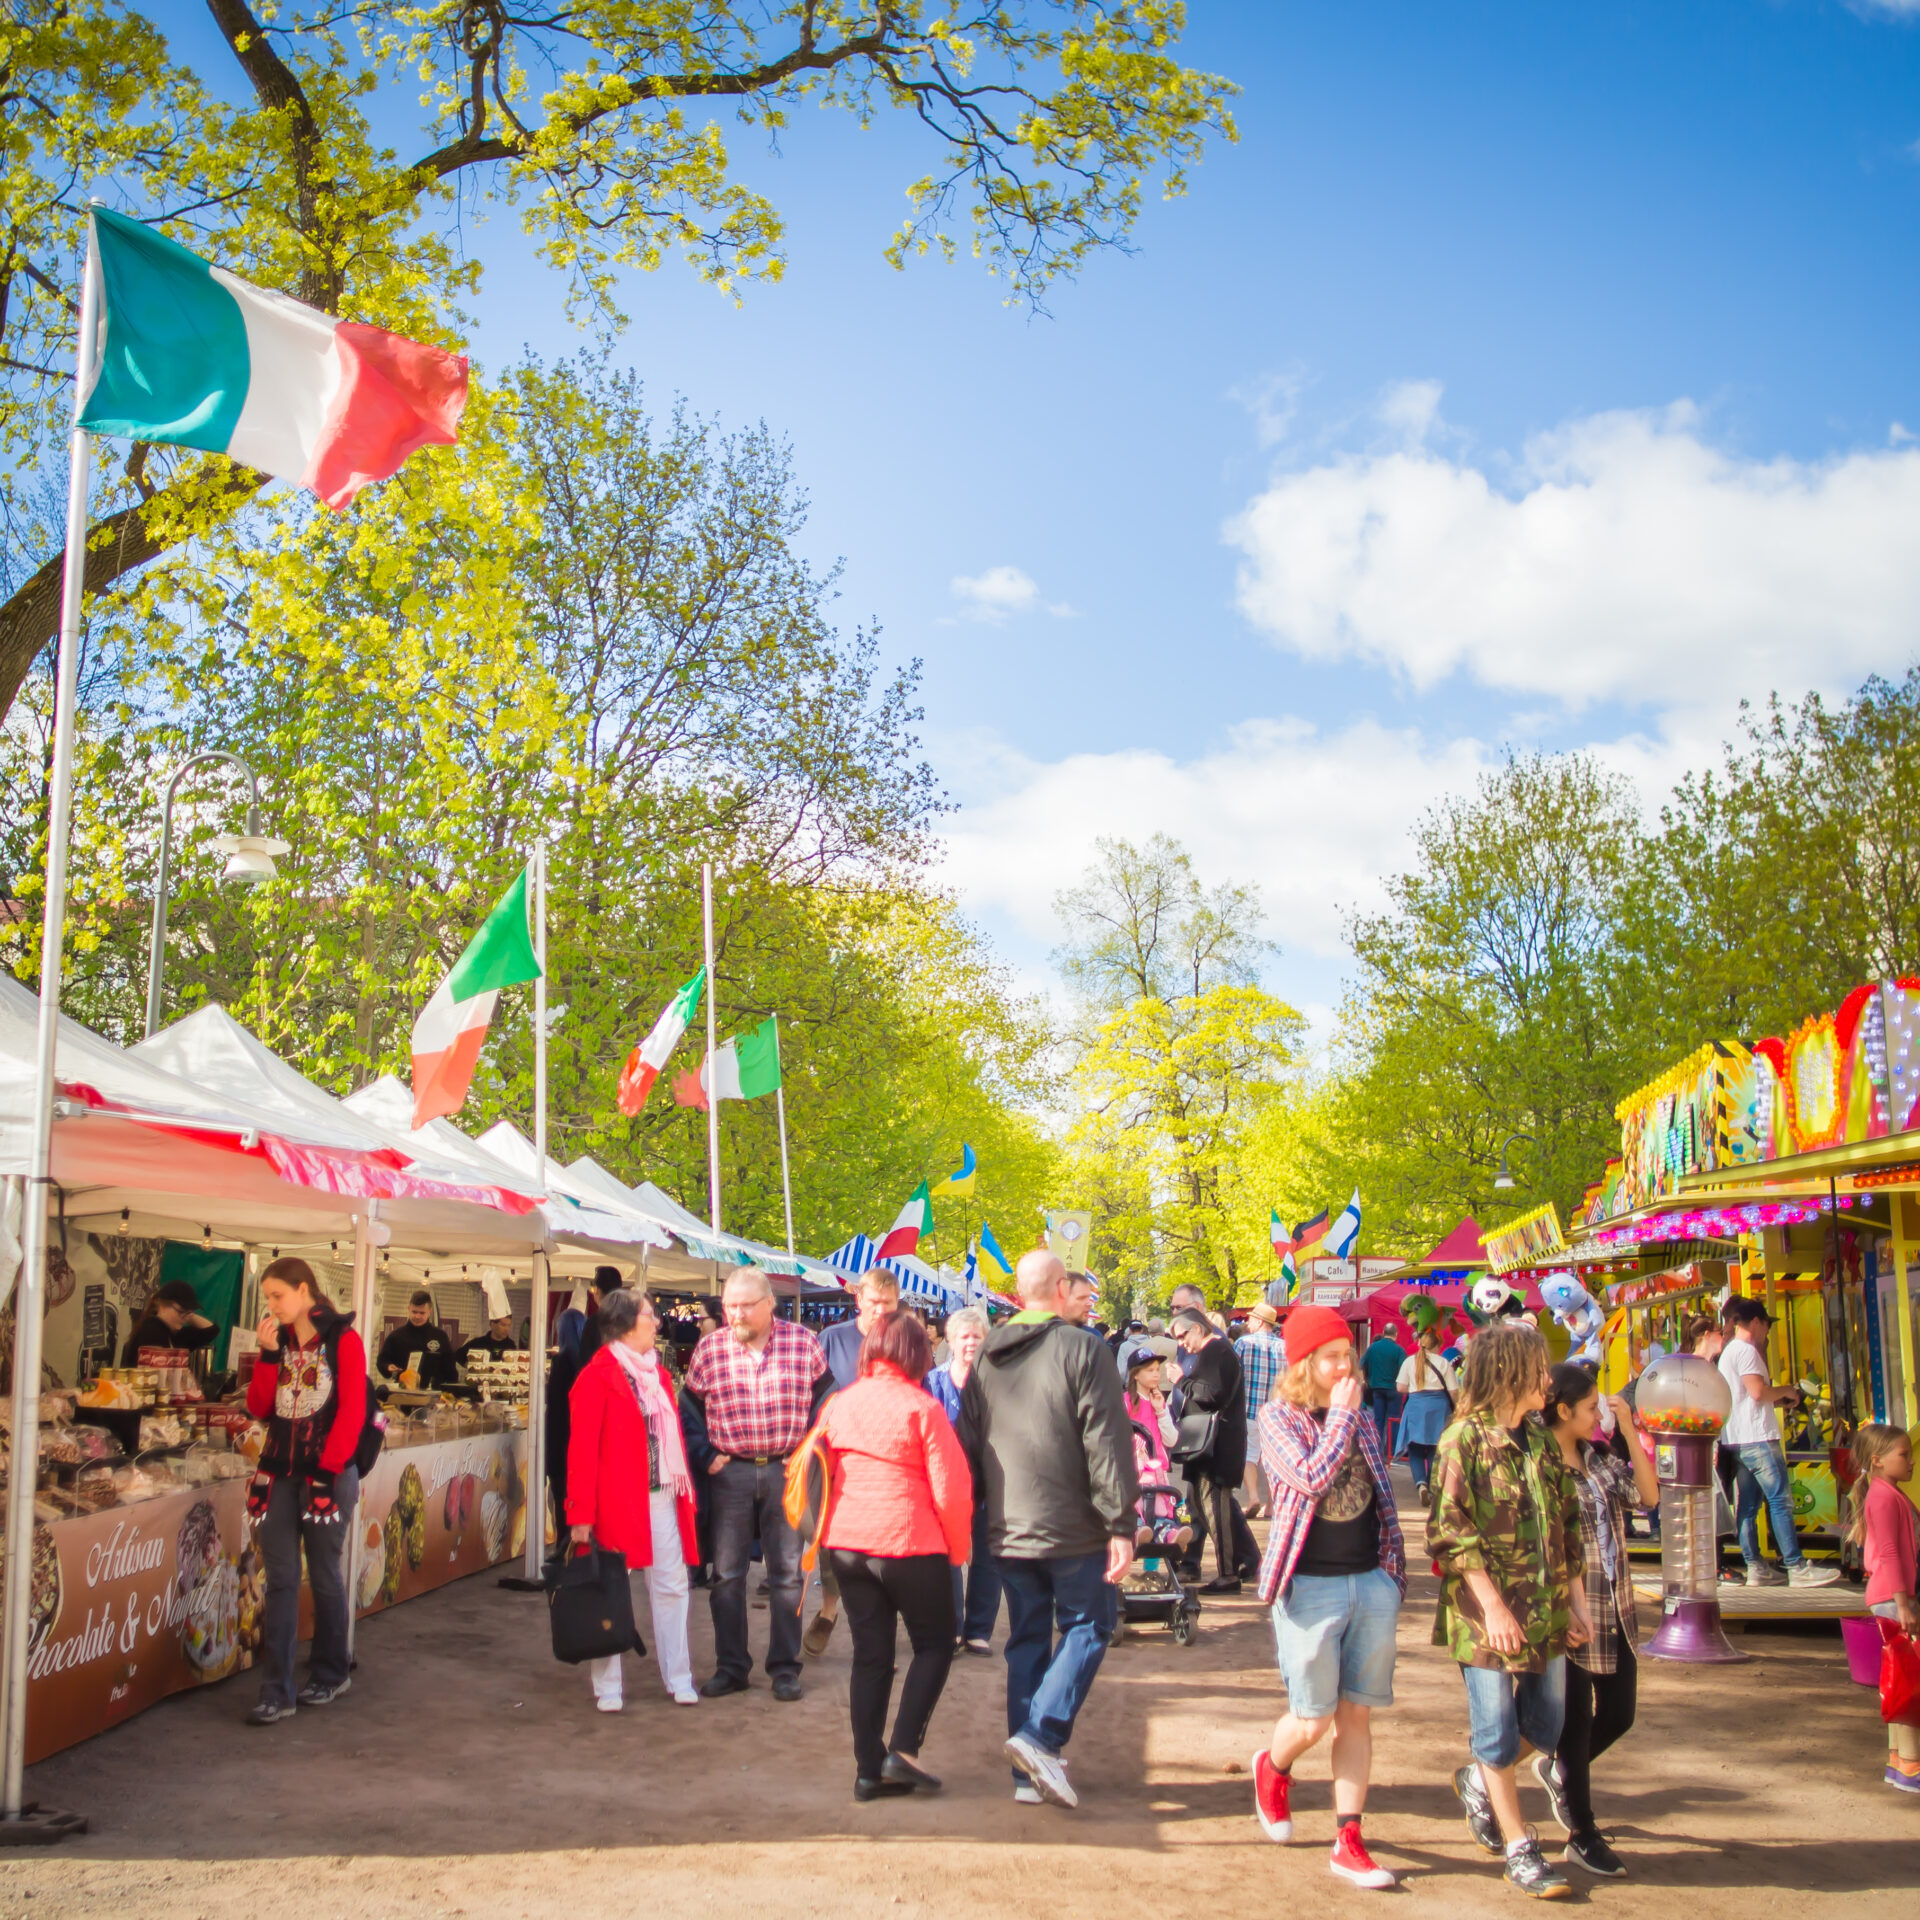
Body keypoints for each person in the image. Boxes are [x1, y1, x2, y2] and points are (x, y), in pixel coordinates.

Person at [958, 1249, 1137, 1810]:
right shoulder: (1085, 1348)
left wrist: (972, 1510)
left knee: (1029, 1637)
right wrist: (1121, 1522)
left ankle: (1027, 1770)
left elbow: (969, 1438)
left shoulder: (987, 1351)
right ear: (1061, 1288)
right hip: (1073, 1525)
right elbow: (1106, 1441)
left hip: (1009, 1524)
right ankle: (1040, 1736)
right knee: (1090, 1625)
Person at [1428, 1318, 1592, 1901]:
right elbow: (1451, 1534)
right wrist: (1493, 1608)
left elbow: (1568, 1524)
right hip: (1483, 1617)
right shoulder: (1462, 1441)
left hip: (1545, 1612)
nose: (1548, 1379)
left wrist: (1575, 1604)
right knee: (1496, 1732)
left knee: (1546, 1726)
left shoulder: (1543, 1439)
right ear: (1510, 1372)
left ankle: (1476, 1780)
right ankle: (1521, 1847)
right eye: (1539, 1368)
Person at [1248, 1304, 1405, 1890]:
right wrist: (1341, 1419)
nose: (1346, 1368)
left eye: (1349, 1357)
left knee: (1355, 1715)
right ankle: (1275, 1764)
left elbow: (1383, 1491)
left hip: (1369, 1579)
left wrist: (1391, 1574)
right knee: (1312, 1719)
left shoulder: (1361, 1417)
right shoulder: (1277, 1417)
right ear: (1304, 1363)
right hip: (1309, 1585)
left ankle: (1349, 1837)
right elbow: (1310, 1477)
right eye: (1333, 1358)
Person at [817, 1310, 974, 1799]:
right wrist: (958, 1551)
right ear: (917, 1353)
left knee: (871, 1656)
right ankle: (903, 1750)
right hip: (909, 1541)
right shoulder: (922, 1407)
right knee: (934, 1645)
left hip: (847, 1544)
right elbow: (951, 1490)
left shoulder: (839, 1404)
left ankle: (867, 1769)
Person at [682, 1268, 832, 1700]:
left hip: (785, 1472)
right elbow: (688, 1411)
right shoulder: (710, 1349)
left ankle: (785, 1668)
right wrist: (706, 1456)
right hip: (731, 1474)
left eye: (746, 1305)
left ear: (770, 1303)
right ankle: (732, 1668)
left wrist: (806, 1454)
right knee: (726, 1575)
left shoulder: (803, 1343)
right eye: (730, 1305)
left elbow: (827, 1402)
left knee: (786, 1576)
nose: (737, 1313)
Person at [1541, 1362, 1658, 1877]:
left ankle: (1560, 1773)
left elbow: (1648, 1498)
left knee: (1620, 1713)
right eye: (1591, 1408)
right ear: (1562, 1410)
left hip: (1616, 1605)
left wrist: (1630, 1431)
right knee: (1576, 1720)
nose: (1599, 1416)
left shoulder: (1599, 1458)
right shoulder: (1541, 1464)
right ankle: (1581, 1831)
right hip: (1571, 1611)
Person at [242, 1256, 367, 1726]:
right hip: (277, 1471)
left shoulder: (343, 1340)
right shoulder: (280, 1342)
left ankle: (332, 1670)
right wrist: (268, 1356)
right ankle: (276, 1689)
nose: (271, 1306)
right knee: (280, 1580)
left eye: (277, 1295)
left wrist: (327, 1472)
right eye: (268, 1298)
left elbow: (352, 1412)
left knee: (324, 1572)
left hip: (327, 1473)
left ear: (303, 1290)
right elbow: (258, 1407)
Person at [566, 1288, 699, 1709]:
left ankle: (679, 1676)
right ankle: (607, 1686)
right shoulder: (595, 1376)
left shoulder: (657, 1375)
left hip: (660, 1495)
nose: (657, 1322)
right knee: (609, 1587)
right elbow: (581, 1450)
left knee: (672, 1584)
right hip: (614, 1503)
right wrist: (580, 1514)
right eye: (649, 1315)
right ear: (624, 1323)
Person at [807, 1267, 902, 1656]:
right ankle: (830, 1607)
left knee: (883, 1551)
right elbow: (811, 1398)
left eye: (889, 1303)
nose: (881, 1310)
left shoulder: (905, 1341)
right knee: (830, 1539)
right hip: (835, 1457)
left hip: (887, 1463)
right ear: (859, 1299)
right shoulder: (832, 1339)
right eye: (874, 1302)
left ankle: (879, 1644)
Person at [1718, 1298, 1839, 1588]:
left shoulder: (1728, 1352)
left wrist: (1779, 1399)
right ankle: (1796, 1566)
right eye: (1767, 1325)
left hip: (1738, 1438)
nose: (1767, 1332)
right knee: (1780, 1501)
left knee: (1748, 1506)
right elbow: (1758, 1392)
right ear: (1756, 1322)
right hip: (1759, 1439)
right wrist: (1790, 1391)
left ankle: (1755, 1565)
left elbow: (1749, 1398)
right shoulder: (1746, 1351)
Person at [1848, 1422, 1919, 1794]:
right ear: (1877, 1460)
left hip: (1892, 1596)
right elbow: (1889, 1552)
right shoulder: (1885, 1497)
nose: (1909, 1461)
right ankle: (1909, 1764)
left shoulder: (1886, 1493)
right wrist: (1904, 1602)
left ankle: (1899, 1761)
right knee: (1908, 1681)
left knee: (1899, 1680)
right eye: (1903, 1455)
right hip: (1894, 1598)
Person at [926, 1306, 1001, 1652]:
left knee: (988, 1556)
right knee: (948, 1557)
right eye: (964, 1336)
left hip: (990, 1482)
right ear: (951, 1341)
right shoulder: (933, 1382)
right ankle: (951, 1628)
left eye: (977, 1336)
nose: (970, 1342)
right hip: (946, 1485)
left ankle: (978, 1630)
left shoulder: (998, 1383)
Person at [1170, 1307, 1249, 1593]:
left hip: (1216, 1448)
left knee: (1215, 1510)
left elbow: (1211, 1394)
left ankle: (1229, 1573)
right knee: (1207, 1510)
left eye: (1181, 1336)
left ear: (1197, 1329)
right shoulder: (1214, 1352)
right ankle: (1238, 1565)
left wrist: (1181, 1380)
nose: (1181, 1343)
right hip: (1209, 1447)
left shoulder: (1216, 1351)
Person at [548, 1268, 621, 1525]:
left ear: (598, 1292)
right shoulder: (628, 1322)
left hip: (590, 1425)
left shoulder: (595, 1326)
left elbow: (587, 1378)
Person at [1121, 1342, 1192, 1557]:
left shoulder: (1159, 1402)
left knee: (1160, 1511)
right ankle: (1138, 1531)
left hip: (1157, 1471)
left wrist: (1161, 1411)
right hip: (1133, 1471)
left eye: (1157, 1370)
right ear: (1135, 1375)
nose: (1155, 1375)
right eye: (1149, 1370)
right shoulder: (1124, 1402)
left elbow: (1171, 1439)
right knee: (1137, 1510)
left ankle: (1169, 1537)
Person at [1394, 1328, 1458, 1507]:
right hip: (1439, 1407)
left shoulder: (1409, 1362)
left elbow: (1400, 1388)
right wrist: (1459, 1406)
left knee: (1415, 1449)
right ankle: (1430, 1486)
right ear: (1437, 1345)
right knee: (1434, 1449)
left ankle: (1420, 1483)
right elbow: (1453, 1391)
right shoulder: (1444, 1363)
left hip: (1415, 1406)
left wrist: (1416, 1389)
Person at [1235, 1301, 1285, 1517]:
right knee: (1274, 1460)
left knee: (1248, 1455)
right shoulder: (1285, 1347)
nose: (1248, 1322)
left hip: (1248, 1410)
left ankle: (1254, 1496)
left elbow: (1232, 1376)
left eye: (1251, 1319)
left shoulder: (1243, 1344)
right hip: (1277, 1413)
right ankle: (1272, 1506)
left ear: (1258, 1321)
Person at [121, 1279, 218, 1365]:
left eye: (188, 1313)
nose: (184, 1318)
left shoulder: (174, 1333)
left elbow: (211, 1331)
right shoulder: (151, 1330)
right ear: (161, 1305)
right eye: (180, 1311)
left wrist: (188, 1314)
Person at [376, 1289, 457, 1388]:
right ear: (408, 1309)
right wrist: (387, 1367)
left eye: (422, 1313)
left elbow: (450, 1369)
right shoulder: (396, 1336)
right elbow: (382, 1361)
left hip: (434, 1393)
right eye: (414, 1312)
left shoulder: (440, 1336)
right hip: (403, 1392)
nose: (417, 1316)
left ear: (429, 1312)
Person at [1359, 1325, 1407, 1451]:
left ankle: (1377, 1450)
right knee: (1393, 1420)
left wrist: (1368, 1379)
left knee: (1378, 1421)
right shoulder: (1399, 1350)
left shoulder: (1372, 1348)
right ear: (1396, 1334)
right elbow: (1404, 1369)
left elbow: (1361, 1364)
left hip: (1376, 1389)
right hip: (1394, 1389)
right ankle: (1391, 1452)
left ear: (1383, 1332)